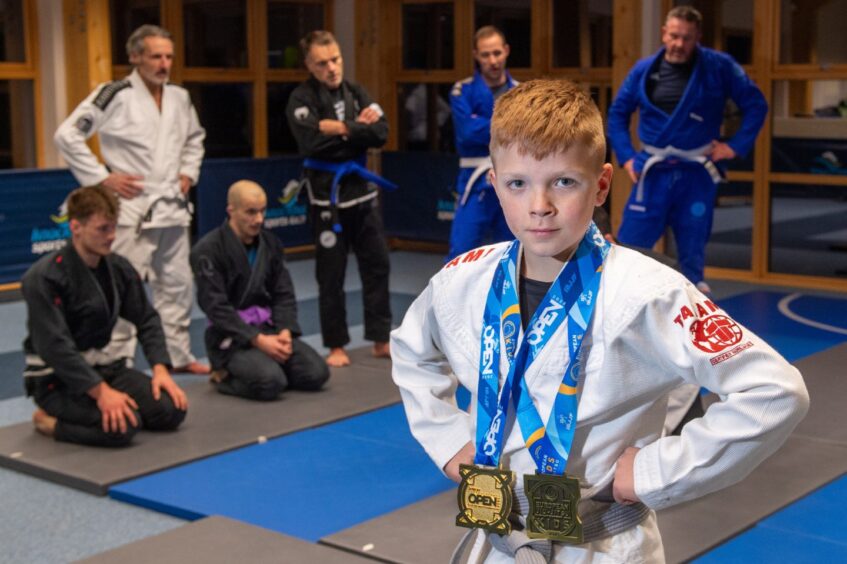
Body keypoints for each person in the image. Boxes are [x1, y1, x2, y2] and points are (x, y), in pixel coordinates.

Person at [391, 79, 808, 562]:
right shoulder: (462, 280)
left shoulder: (651, 292)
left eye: (563, 182)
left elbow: (775, 391)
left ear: (602, 185)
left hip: (602, 542)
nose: (539, 205)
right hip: (495, 538)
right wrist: (448, 442)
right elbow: (411, 351)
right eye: (517, 183)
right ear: (494, 185)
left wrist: (652, 471)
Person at [54, 24, 208, 374]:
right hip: (131, 210)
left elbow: (195, 139)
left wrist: (188, 171)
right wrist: (101, 177)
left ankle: (177, 355)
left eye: (168, 56)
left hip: (172, 206)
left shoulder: (180, 98)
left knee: (178, 284)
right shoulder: (114, 94)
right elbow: (66, 135)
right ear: (135, 56)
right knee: (123, 286)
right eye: (155, 56)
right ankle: (116, 360)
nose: (164, 63)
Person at [607, 5, 767, 293]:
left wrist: (733, 147)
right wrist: (627, 157)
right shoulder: (644, 70)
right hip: (652, 170)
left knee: (693, 248)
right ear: (663, 34)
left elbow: (756, 105)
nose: (679, 44)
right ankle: (621, 299)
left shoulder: (719, 66)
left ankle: (691, 313)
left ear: (698, 38)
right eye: (674, 36)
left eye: (687, 38)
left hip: (696, 172)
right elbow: (617, 113)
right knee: (628, 248)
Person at [22, 186, 188, 447]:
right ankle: (50, 423)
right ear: (76, 227)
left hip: (104, 366)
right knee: (123, 427)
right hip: (57, 378)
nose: (111, 237)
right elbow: (54, 346)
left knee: (170, 411)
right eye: (102, 229)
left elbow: (146, 319)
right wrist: (101, 393)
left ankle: (102, 404)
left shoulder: (118, 268)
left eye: (114, 228)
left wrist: (160, 369)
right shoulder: (44, 277)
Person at [286, 30, 393, 368]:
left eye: (336, 60)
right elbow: (312, 144)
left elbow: (381, 133)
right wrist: (355, 131)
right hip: (326, 198)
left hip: (361, 193)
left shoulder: (357, 91)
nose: (332, 68)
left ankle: (380, 338)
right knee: (330, 273)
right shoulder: (301, 99)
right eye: (322, 63)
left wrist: (341, 128)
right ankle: (336, 345)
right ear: (309, 65)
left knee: (377, 264)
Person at [190, 180, 330, 401]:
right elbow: (216, 308)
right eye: (251, 212)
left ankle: (265, 365)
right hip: (230, 338)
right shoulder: (207, 250)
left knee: (317, 374)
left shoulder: (271, 243)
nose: (259, 219)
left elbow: (283, 293)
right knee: (270, 383)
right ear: (231, 211)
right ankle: (222, 375)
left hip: (269, 330)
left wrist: (284, 331)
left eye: (263, 211)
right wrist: (257, 340)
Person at [446, 26, 517, 261]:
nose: (493, 60)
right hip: (474, 180)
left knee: (514, 252)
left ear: (506, 51)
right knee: (460, 252)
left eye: (497, 53)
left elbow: (525, 134)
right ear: (476, 55)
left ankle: (513, 298)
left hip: (512, 180)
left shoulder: (521, 92)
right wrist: (509, 124)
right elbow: (467, 133)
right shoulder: (462, 90)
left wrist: (481, 123)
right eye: (486, 55)